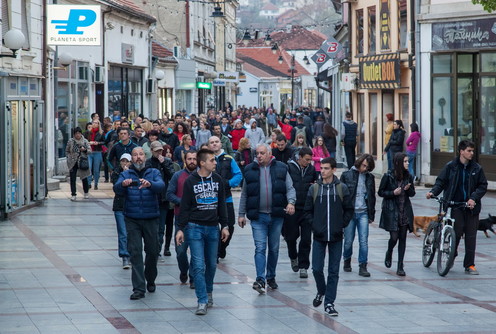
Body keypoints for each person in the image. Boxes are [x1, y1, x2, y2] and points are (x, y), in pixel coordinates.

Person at [176, 148, 229, 315]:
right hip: (194, 228)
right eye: (212, 160)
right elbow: (184, 207)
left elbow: (222, 204)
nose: (215, 162)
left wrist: (225, 225)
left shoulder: (218, 180)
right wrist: (180, 229)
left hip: (213, 228)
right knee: (198, 265)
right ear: (202, 163)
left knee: (212, 264)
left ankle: (209, 291)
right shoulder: (190, 181)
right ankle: (202, 300)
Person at [238, 143, 296, 294]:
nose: (259, 156)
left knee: (274, 248)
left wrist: (291, 202)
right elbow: (245, 193)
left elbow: (290, 188)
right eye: (257, 153)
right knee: (260, 247)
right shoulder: (250, 169)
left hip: (276, 216)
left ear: (270, 154)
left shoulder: (282, 168)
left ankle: (271, 276)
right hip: (258, 217)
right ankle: (260, 279)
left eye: (262, 153)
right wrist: (241, 214)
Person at [426, 140, 488, 275]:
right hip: (456, 205)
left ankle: (469, 265)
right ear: (461, 151)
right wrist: (433, 192)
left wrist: (473, 198)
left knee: (471, 236)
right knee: (457, 233)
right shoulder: (451, 167)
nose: (472, 153)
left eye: (472, 151)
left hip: (471, 207)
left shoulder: (477, 168)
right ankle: (450, 258)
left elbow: (482, 185)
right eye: (469, 151)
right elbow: (441, 182)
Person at [113, 147, 165, 300]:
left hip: (151, 218)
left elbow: (161, 186)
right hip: (132, 218)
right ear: (131, 159)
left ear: (145, 156)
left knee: (152, 252)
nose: (138, 158)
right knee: (135, 253)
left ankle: (150, 278)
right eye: (135, 155)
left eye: (140, 154)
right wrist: (123, 185)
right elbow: (116, 188)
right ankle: (138, 288)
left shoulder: (153, 172)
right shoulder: (126, 173)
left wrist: (150, 185)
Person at [304, 157, 353, 317]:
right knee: (317, 268)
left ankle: (329, 302)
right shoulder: (314, 189)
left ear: (333, 170)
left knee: (333, 271)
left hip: (336, 236)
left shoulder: (342, 188)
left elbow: (349, 209)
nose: (322, 171)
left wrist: (341, 224)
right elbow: (307, 211)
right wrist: (315, 226)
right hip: (319, 235)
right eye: (321, 168)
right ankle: (321, 291)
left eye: (326, 168)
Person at [378, 153, 415, 276]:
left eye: (407, 161)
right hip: (392, 211)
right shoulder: (388, 176)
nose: (407, 163)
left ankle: (400, 265)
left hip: (404, 210)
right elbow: (381, 192)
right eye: (405, 161)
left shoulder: (408, 176)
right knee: (394, 237)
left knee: (403, 238)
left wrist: (408, 189)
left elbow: (412, 193)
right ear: (399, 163)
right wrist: (393, 192)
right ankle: (389, 252)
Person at [340, 154, 376, 277]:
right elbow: (341, 196)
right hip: (350, 212)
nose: (365, 168)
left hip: (363, 212)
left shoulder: (369, 177)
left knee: (363, 241)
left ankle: (363, 265)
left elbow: (372, 197)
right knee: (348, 240)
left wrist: (372, 214)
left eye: (367, 167)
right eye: (363, 165)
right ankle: (347, 260)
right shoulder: (346, 175)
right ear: (359, 162)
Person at [208, 136, 242, 260]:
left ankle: (222, 247)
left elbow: (238, 175)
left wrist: (228, 183)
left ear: (220, 144)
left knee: (230, 226)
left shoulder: (228, 158)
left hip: (226, 199)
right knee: (213, 227)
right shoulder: (207, 159)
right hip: (211, 199)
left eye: (216, 142)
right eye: (212, 142)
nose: (214, 144)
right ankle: (215, 252)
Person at [166, 150, 198, 288]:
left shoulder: (201, 176)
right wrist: (183, 202)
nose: (192, 161)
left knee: (197, 251)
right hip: (181, 218)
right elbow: (169, 194)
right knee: (180, 251)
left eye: (194, 159)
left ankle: (193, 277)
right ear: (185, 160)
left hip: (198, 218)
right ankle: (184, 270)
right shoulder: (177, 176)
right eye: (189, 159)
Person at [285, 147, 317, 278]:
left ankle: (304, 266)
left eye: (310, 160)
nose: (309, 162)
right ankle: (293, 257)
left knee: (306, 239)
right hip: (292, 208)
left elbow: (315, 185)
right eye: (306, 159)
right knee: (291, 237)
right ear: (300, 157)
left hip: (307, 209)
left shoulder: (312, 169)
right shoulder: (289, 168)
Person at [147, 141, 175, 261]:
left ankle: (157, 251)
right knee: (151, 227)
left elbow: (172, 176)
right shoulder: (148, 163)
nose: (159, 153)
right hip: (151, 198)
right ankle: (151, 250)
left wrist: (164, 164)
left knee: (161, 228)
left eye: (160, 151)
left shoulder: (167, 162)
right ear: (151, 151)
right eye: (156, 151)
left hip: (163, 199)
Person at [111, 153, 132, 269]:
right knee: (123, 232)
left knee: (132, 232)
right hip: (119, 206)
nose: (125, 163)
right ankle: (125, 256)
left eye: (127, 161)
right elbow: (116, 187)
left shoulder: (133, 173)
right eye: (123, 161)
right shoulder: (116, 173)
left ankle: (132, 255)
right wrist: (124, 174)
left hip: (131, 205)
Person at [66, 127, 91, 201]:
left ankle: (86, 192)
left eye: (79, 133)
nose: (77, 135)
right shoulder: (71, 141)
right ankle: (73, 194)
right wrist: (68, 157)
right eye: (76, 133)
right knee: (72, 179)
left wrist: (85, 150)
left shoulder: (85, 141)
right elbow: (67, 150)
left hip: (82, 161)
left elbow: (90, 151)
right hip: (73, 162)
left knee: (84, 177)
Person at [84, 119, 105, 190]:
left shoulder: (101, 133)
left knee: (96, 169)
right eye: (93, 122)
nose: (94, 124)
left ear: (99, 125)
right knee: (89, 167)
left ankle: (96, 183)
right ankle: (89, 183)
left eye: (96, 123)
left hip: (97, 151)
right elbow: (84, 141)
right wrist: (88, 143)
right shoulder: (88, 132)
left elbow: (104, 142)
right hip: (89, 152)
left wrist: (98, 143)